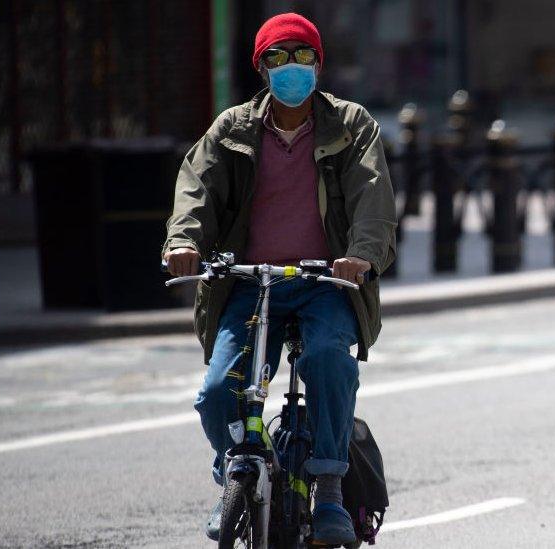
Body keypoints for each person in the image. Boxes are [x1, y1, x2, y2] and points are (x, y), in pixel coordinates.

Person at [161, 12, 396, 545]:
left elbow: (372, 195)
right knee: (220, 391)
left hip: (326, 283)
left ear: (319, 64)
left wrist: (361, 255)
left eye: (302, 56)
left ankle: (331, 485)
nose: (291, 68)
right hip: (250, 282)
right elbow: (195, 187)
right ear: (260, 68)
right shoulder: (233, 127)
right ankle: (236, 473)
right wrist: (183, 242)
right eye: (277, 58)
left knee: (328, 361)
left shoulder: (352, 124)